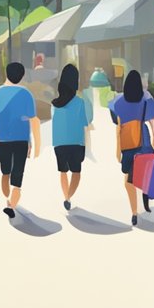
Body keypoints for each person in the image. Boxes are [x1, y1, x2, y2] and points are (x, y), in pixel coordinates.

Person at [0, 62, 41, 219]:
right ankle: (11, 203)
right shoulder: (26, 95)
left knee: (5, 173)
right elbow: (33, 120)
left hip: (0, 140)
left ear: (6, 74)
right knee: (18, 175)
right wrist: (35, 143)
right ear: (22, 76)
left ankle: (7, 200)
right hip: (21, 141)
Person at [110, 70, 154, 227]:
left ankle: (134, 212)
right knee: (146, 170)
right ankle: (145, 200)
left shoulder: (117, 102)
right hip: (143, 140)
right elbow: (153, 119)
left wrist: (117, 150)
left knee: (128, 179)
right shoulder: (146, 98)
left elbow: (117, 128)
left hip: (127, 143)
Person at [52, 64, 91, 212]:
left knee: (63, 171)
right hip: (76, 142)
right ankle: (68, 197)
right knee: (76, 172)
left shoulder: (54, 104)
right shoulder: (80, 102)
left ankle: (66, 196)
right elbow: (84, 124)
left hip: (59, 142)